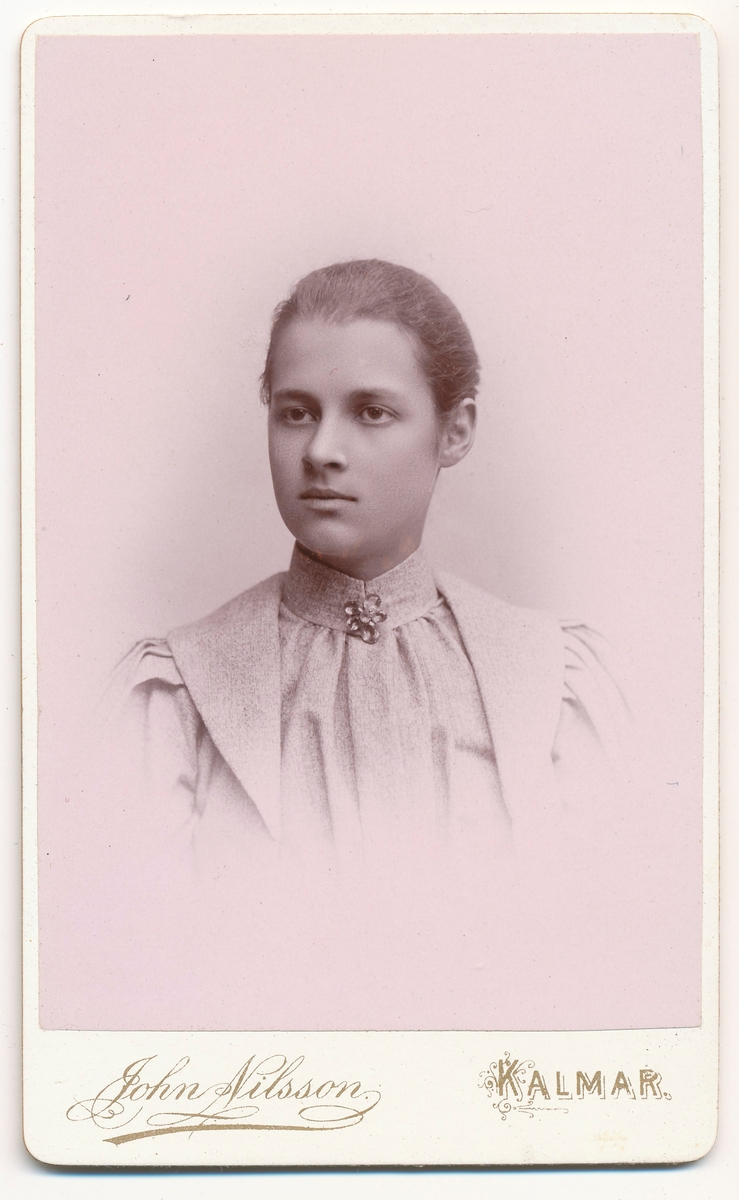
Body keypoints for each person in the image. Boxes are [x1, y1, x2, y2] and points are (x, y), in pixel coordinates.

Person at [50, 260, 641, 1031]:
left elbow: (606, 964)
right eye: (295, 412)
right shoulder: (177, 696)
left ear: (454, 431)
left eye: (371, 412)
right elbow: (128, 978)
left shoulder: (551, 683)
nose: (321, 450)